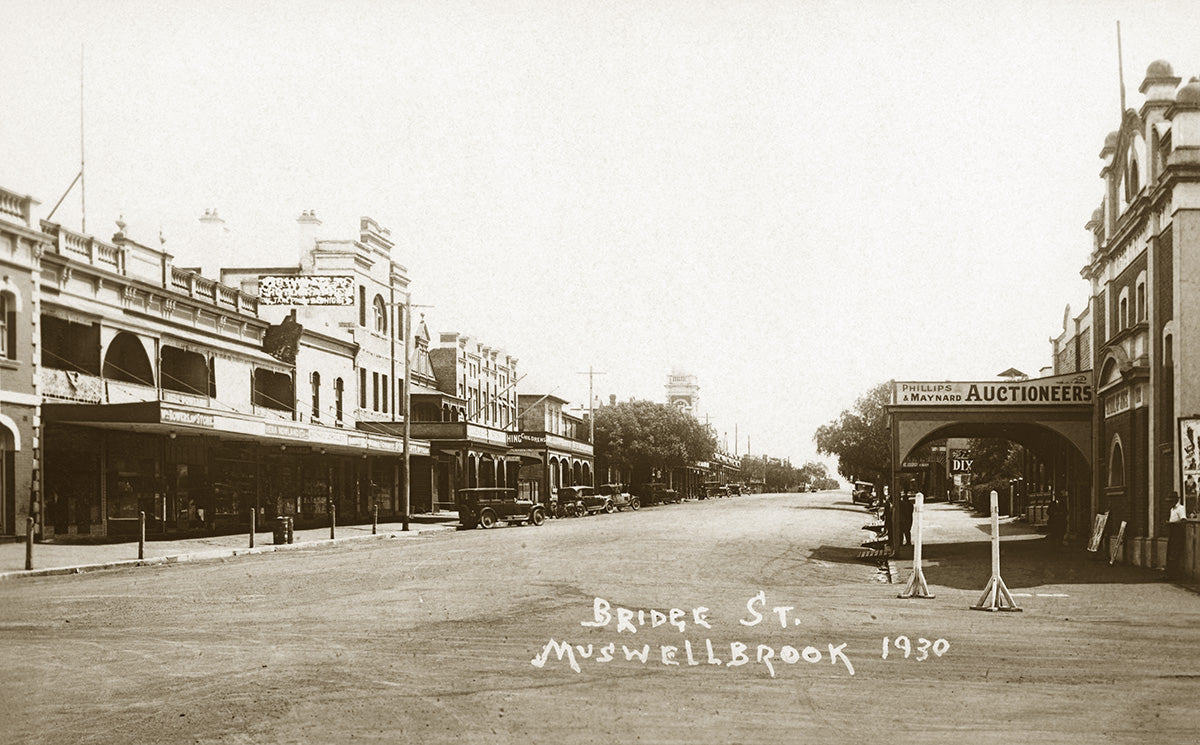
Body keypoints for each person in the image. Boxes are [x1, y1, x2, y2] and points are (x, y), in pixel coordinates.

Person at [1166, 492, 1187, 579]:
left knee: (1175, 552)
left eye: (1172, 501)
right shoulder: (1172, 509)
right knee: (1170, 551)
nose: (1170, 502)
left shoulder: (1180, 508)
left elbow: (1183, 520)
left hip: (1178, 532)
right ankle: (1170, 573)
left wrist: (1172, 523)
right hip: (1172, 531)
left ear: (1176, 500)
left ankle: (1175, 574)